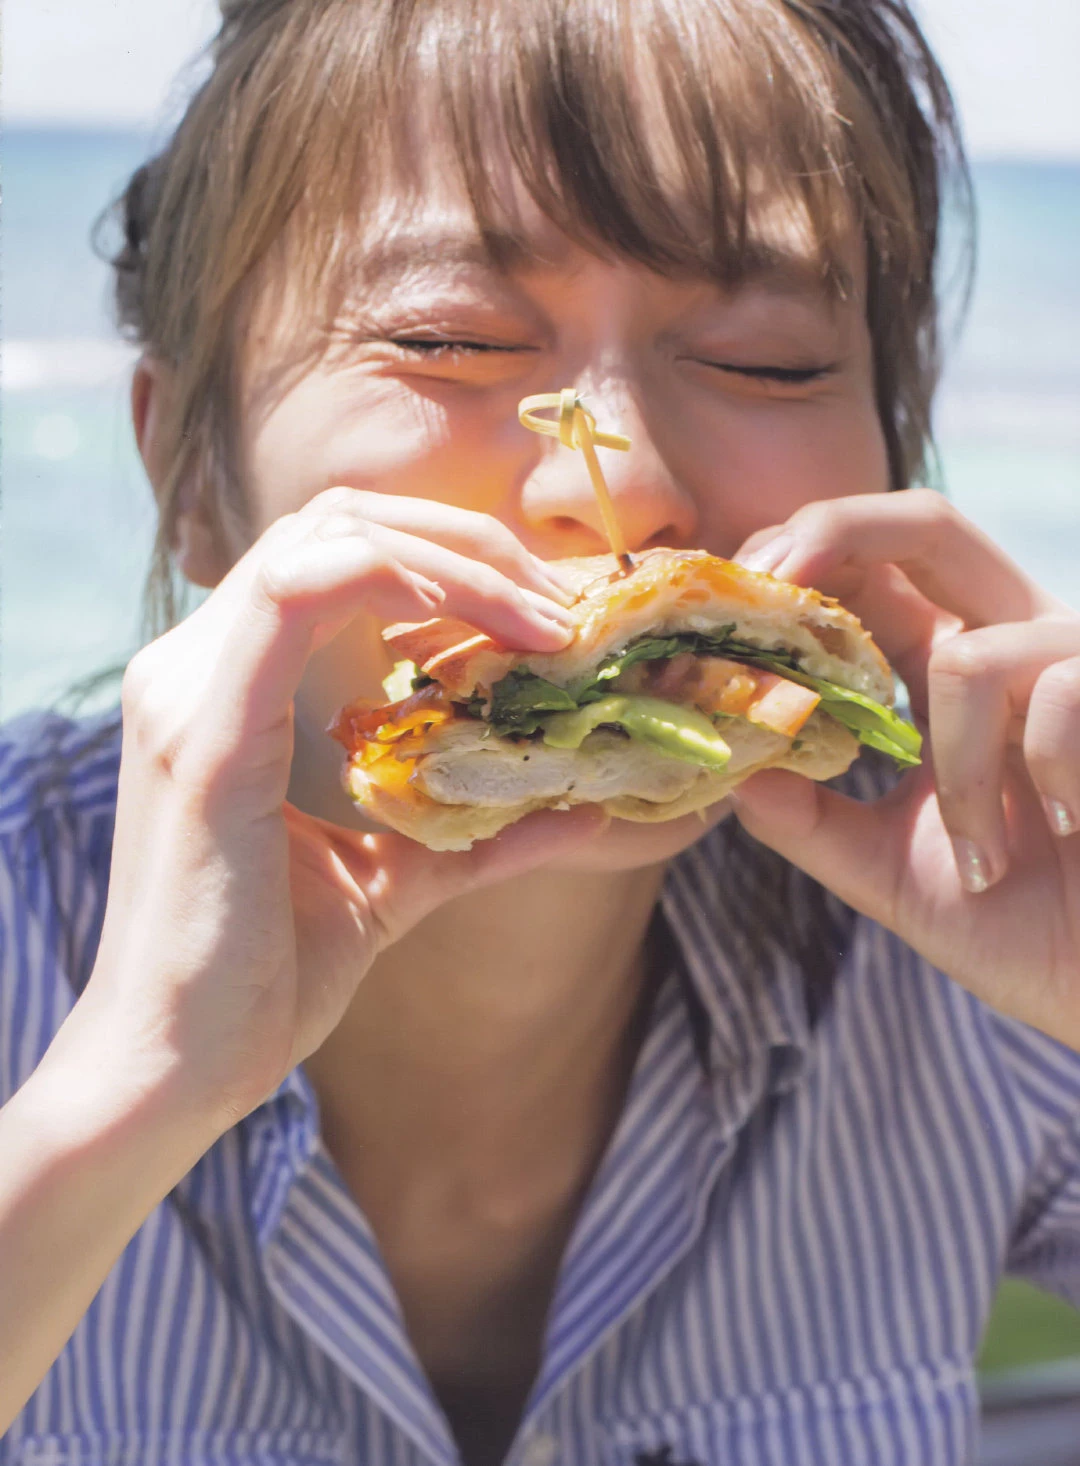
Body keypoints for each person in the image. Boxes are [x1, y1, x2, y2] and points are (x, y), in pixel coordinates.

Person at [1, 1, 1078, 1462]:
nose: (618, 483)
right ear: (193, 467)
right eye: (447, 338)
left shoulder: (970, 937)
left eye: (768, 358)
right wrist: (119, 1097)